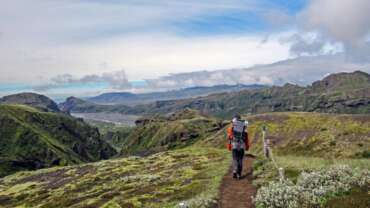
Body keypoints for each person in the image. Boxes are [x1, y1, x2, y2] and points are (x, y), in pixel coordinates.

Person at [227, 115, 249, 179]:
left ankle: (234, 171)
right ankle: (239, 174)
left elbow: (229, 138)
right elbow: (246, 139)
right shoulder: (244, 129)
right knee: (240, 160)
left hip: (234, 146)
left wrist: (229, 146)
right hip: (241, 146)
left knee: (235, 159)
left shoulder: (231, 128)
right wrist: (247, 146)